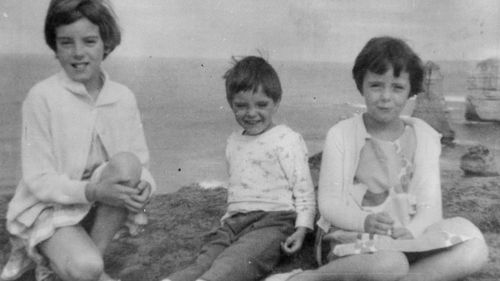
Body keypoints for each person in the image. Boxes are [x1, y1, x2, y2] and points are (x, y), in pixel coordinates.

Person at [277, 37, 489, 281]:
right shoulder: (342, 133)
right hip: (356, 241)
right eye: (376, 85)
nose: (386, 96)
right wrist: (364, 221)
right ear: (361, 86)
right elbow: (329, 204)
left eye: (397, 87)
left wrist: (410, 232)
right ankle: (311, 278)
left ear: (411, 91)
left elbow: (430, 208)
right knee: (391, 265)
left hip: (409, 239)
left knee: (475, 246)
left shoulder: (424, 136)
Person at [0, 1, 156, 281]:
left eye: (89, 41)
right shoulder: (42, 97)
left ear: (105, 43)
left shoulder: (123, 97)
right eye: (66, 42)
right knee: (88, 268)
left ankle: (82, 263)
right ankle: (83, 268)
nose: (78, 52)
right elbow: (39, 180)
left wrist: (145, 185)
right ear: (55, 47)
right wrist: (94, 191)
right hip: (51, 208)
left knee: (127, 163)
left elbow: (139, 163)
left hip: (102, 214)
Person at [160, 56, 316, 281]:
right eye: (241, 106)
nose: (251, 113)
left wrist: (302, 228)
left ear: (276, 102)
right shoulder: (233, 141)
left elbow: (303, 189)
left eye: (261, 104)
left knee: (233, 263)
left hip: (273, 221)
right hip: (233, 223)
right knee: (204, 260)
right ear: (231, 103)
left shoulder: (286, 139)